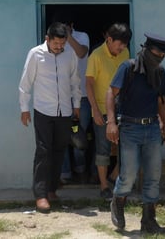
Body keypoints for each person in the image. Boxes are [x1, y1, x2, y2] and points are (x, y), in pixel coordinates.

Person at [106, 33, 165, 234]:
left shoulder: (159, 73)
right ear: (145, 50)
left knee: (153, 175)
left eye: (163, 53)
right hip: (129, 128)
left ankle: (149, 220)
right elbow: (111, 92)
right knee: (128, 174)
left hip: (152, 128)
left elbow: (161, 102)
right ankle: (118, 202)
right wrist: (111, 122)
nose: (160, 56)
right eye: (156, 52)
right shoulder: (129, 68)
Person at [19, 22, 81, 213]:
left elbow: (74, 80)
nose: (59, 47)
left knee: (59, 151)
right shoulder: (35, 54)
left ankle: (52, 189)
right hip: (43, 110)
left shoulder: (69, 54)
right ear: (47, 39)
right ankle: (40, 195)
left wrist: (76, 105)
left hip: (64, 111)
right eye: (56, 43)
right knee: (43, 151)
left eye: (62, 44)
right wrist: (24, 109)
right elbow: (25, 82)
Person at [86, 23, 132, 199]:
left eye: (125, 45)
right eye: (119, 44)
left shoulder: (125, 54)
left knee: (127, 148)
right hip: (102, 110)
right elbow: (89, 84)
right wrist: (95, 111)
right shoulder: (96, 56)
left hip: (123, 110)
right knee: (103, 148)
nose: (122, 49)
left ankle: (114, 178)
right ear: (109, 39)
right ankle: (104, 186)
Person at [58, 16, 92, 184]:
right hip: (62, 97)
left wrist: (68, 36)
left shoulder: (82, 36)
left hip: (83, 96)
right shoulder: (55, 41)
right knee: (62, 137)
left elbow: (81, 53)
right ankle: (65, 173)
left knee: (79, 136)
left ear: (71, 25)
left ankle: (81, 170)